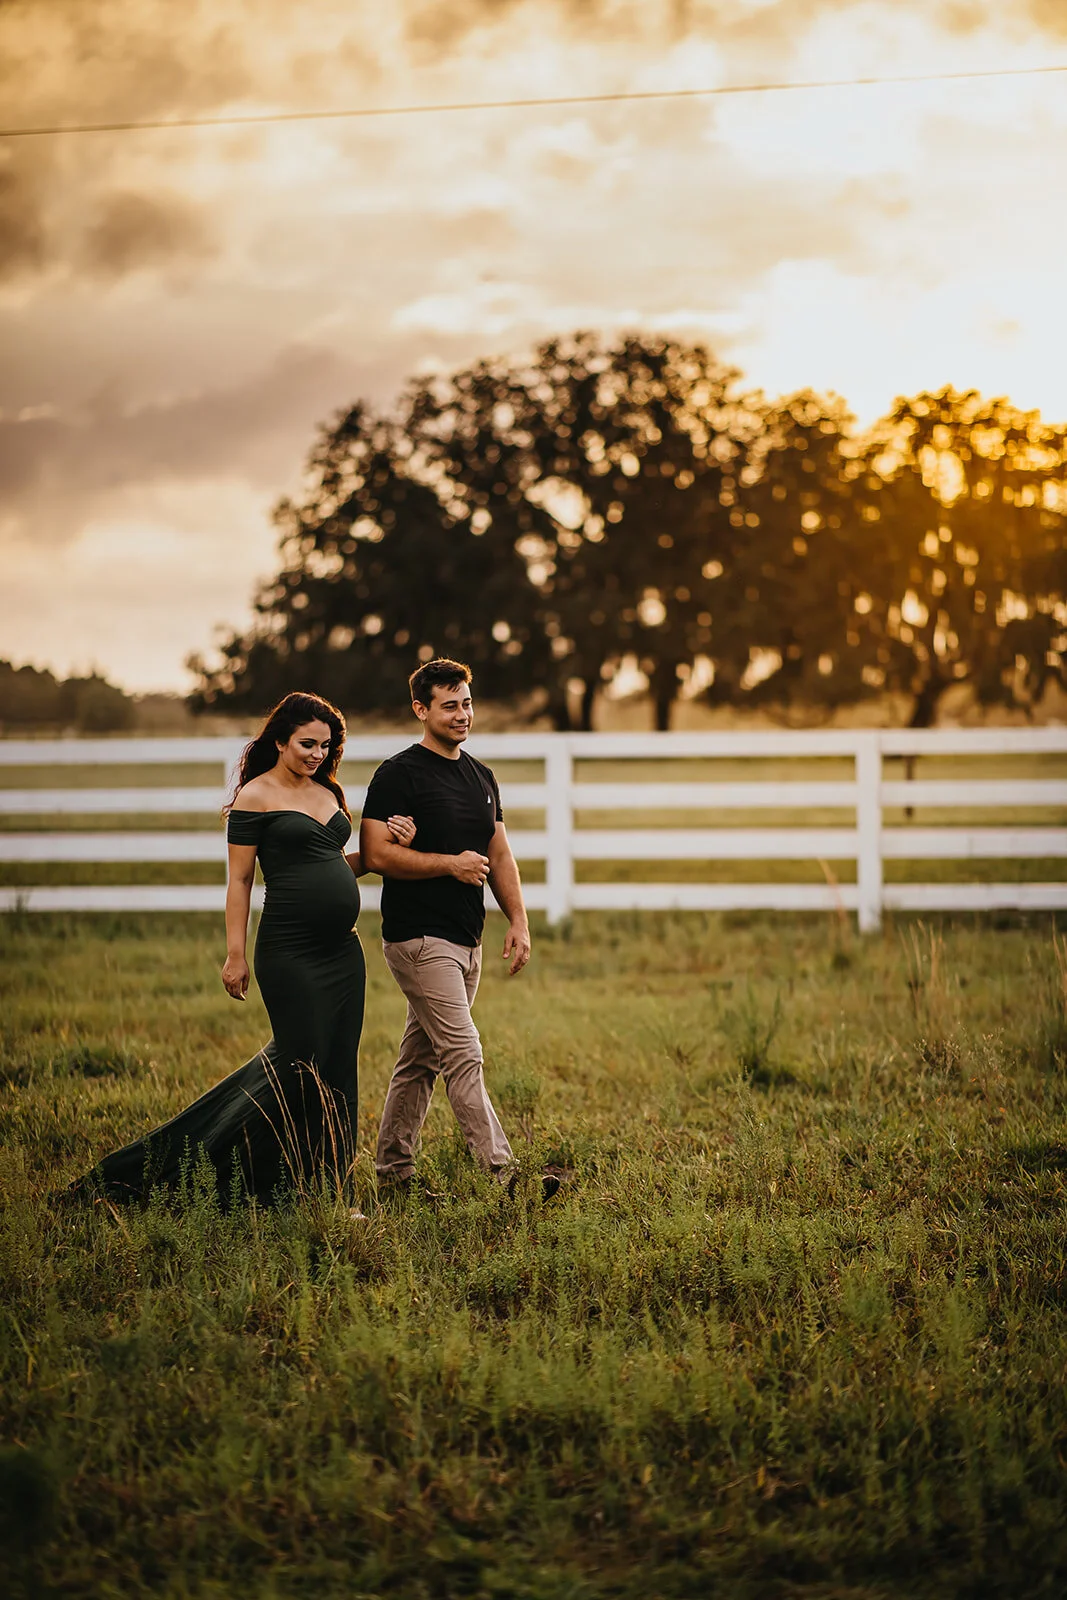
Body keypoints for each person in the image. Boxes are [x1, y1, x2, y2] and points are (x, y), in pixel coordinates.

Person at [77, 691, 415, 1208]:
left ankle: (326, 1186)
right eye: (306, 743)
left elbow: (338, 865)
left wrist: (392, 843)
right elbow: (239, 882)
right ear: (279, 740)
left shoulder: (329, 792)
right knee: (297, 1066)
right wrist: (235, 955)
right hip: (290, 952)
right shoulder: (254, 797)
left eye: (326, 745)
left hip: (343, 956)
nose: (317, 754)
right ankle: (215, 1174)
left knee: (337, 1066)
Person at [361, 658, 559, 1200]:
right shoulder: (397, 774)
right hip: (417, 939)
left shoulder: (481, 776)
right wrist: (449, 864)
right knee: (463, 1052)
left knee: (419, 1061)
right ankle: (505, 1177)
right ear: (421, 710)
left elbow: (499, 852)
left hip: (466, 939)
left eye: (467, 702)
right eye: (449, 705)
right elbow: (376, 853)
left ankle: (393, 1176)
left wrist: (518, 920)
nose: (462, 714)